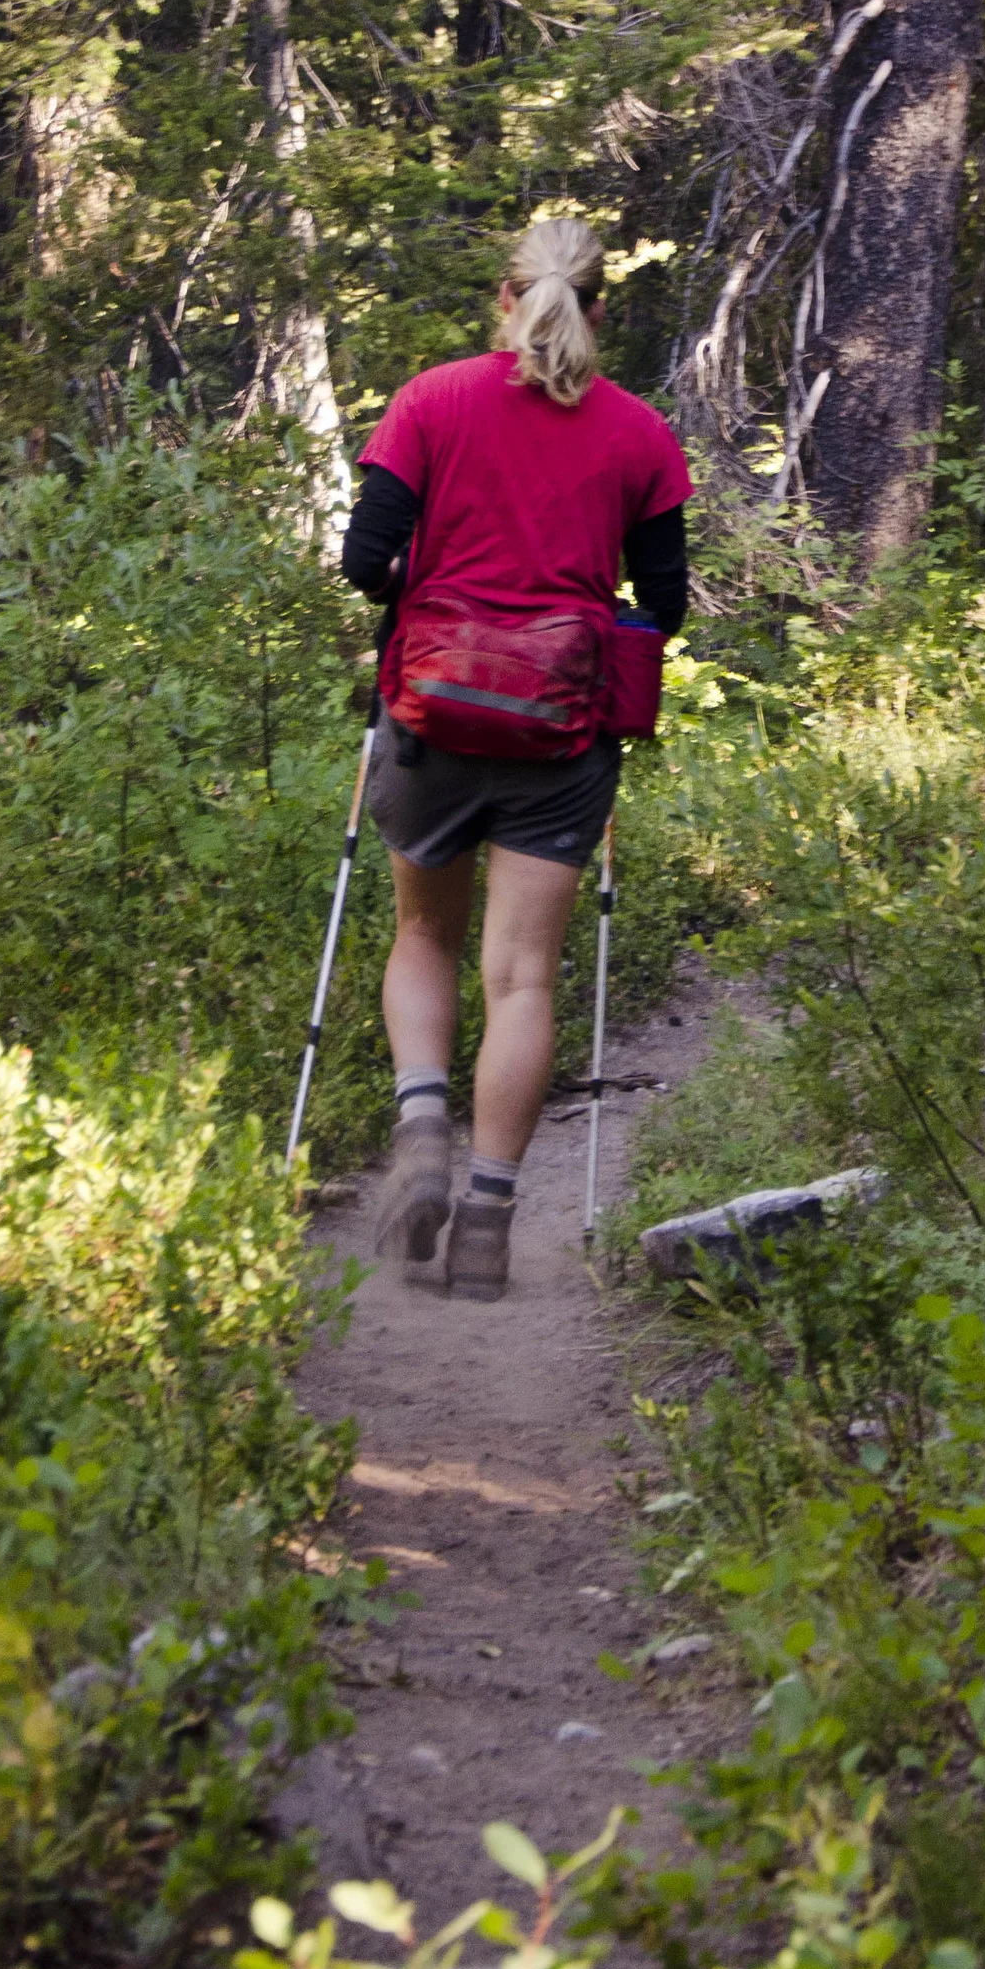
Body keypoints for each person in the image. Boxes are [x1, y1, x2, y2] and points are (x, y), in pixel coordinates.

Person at [339, 214, 691, 1305]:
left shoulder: (430, 401)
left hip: (429, 717)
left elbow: (363, 561)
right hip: (560, 734)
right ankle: (488, 1221)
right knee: (524, 976)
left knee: (422, 933)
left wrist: (438, 604)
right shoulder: (638, 432)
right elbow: (666, 601)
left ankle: (422, 1128)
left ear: (505, 295)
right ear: (600, 307)